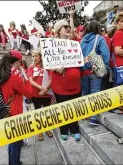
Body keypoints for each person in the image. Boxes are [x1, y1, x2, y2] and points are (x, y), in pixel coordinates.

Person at [0, 50, 34, 165]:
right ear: (17, 62)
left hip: (4, 111)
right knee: (17, 142)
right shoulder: (14, 76)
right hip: (14, 112)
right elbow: (29, 93)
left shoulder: (0, 73)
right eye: (20, 63)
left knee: (12, 141)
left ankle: (13, 161)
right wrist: (24, 76)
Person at [51, 10, 81, 141]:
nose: (68, 29)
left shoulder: (73, 42)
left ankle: (75, 129)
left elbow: (73, 32)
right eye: (65, 27)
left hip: (75, 85)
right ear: (58, 31)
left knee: (74, 108)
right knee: (63, 109)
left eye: (69, 27)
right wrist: (56, 68)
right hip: (60, 85)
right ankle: (64, 129)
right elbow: (47, 62)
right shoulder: (51, 45)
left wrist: (71, 17)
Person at [80, 20, 110, 125]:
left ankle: (84, 114)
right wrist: (105, 68)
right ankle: (93, 118)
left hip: (83, 72)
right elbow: (106, 55)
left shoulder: (82, 41)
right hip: (94, 71)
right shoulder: (100, 39)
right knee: (95, 94)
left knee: (85, 93)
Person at [27, 49, 53, 141]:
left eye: (36, 56)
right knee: (37, 113)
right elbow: (30, 81)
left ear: (41, 57)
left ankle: (47, 128)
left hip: (46, 94)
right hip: (36, 94)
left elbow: (51, 79)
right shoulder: (30, 67)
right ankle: (40, 131)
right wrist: (41, 88)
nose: (34, 58)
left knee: (46, 113)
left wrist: (45, 89)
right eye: (33, 56)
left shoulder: (47, 66)